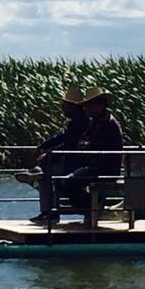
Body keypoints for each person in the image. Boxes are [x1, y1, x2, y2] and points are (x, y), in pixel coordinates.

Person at [47, 86, 125, 224]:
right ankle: (92, 208)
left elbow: (100, 147)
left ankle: (93, 207)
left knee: (69, 182)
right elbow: (84, 139)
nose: (86, 108)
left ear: (100, 104)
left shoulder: (107, 123)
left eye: (89, 105)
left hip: (105, 168)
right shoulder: (97, 120)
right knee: (65, 181)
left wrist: (87, 146)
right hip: (94, 166)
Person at [17, 85, 88, 222]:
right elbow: (62, 137)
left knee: (45, 175)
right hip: (74, 161)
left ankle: (49, 212)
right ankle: (38, 174)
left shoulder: (79, 122)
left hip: (76, 163)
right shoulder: (77, 120)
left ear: (73, 106)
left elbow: (69, 145)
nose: (62, 109)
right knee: (46, 173)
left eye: (64, 106)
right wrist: (43, 146)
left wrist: (48, 155)